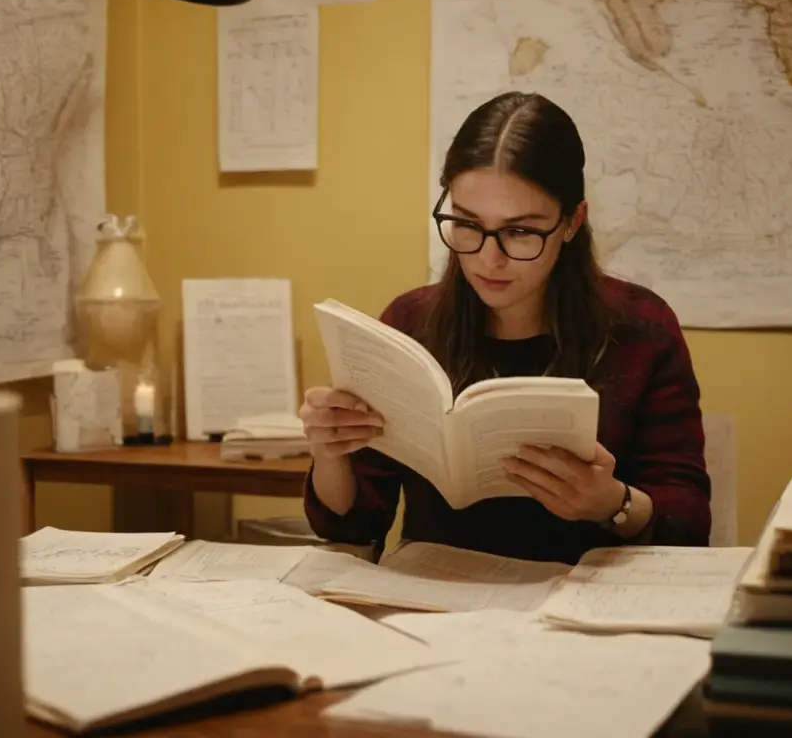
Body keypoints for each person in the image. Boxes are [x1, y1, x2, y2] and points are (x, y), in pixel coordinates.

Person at [300, 91, 711, 565]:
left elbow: (690, 527)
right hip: (435, 607)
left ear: (572, 221)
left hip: (585, 612)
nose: (487, 258)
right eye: (467, 224)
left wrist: (612, 504)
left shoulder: (641, 330)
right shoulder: (411, 323)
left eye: (520, 231)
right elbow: (353, 526)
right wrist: (329, 452)